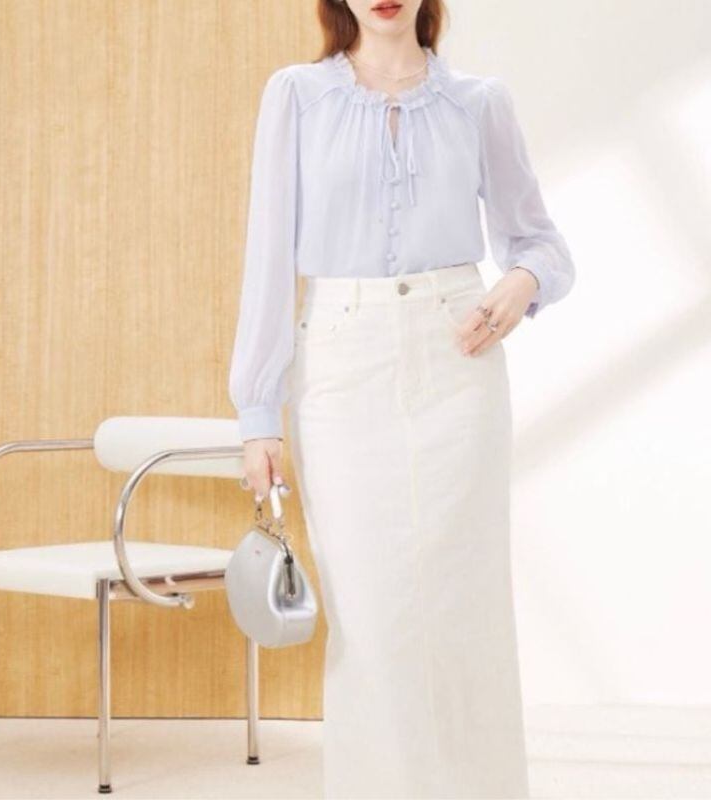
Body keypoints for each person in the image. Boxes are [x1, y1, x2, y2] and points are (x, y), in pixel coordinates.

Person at [228, 1, 574, 797]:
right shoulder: (296, 96)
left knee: (464, 610)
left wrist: (522, 282)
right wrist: (257, 411)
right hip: (339, 368)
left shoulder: (479, 103)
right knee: (371, 618)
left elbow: (542, 244)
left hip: (458, 364)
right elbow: (268, 257)